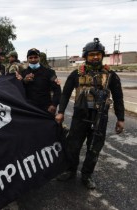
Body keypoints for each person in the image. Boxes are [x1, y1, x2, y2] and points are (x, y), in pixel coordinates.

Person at [55, 38, 125, 189]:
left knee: (94, 148)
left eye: (98, 54)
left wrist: (121, 119)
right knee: (73, 146)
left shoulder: (111, 75)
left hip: (100, 118)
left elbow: (118, 97)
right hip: (80, 117)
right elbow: (65, 94)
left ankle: (86, 175)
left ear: (101, 56)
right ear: (86, 56)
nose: (95, 57)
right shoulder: (76, 74)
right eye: (92, 54)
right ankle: (70, 170)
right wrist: (60, 112)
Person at [20, 48, 61, 114]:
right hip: (28, 109)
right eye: (30, 58)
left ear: (39, 58)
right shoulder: (23, 73)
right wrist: (24, 81)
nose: (33, 60)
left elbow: (57, 89)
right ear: (27, 59)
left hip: (45, 109)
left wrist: (54, 105)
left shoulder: (50, 73)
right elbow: (18, 89)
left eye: (35, 57)